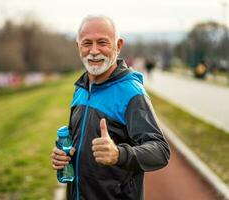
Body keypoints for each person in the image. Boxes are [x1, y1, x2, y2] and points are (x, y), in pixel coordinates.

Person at [51, 15, 170, 200]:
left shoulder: (131, 92)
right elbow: (78, 144)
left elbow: (160, 151)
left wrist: (119, 154)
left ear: (118, 45)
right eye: (87, 43)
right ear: (78, 46)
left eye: (102, 42)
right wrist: (64, 155)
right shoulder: (81, 88)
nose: (94, 51)